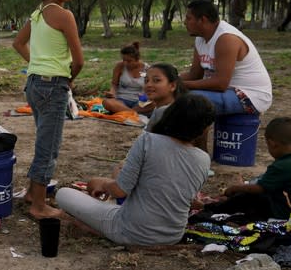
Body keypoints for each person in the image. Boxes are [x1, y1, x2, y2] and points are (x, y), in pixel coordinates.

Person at [55, 94, 216, 246]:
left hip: (131, 232)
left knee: (63, 193)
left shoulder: (148, 141)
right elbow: (186, 200)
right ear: (204, 130)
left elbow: (120, 191)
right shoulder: (203, 159)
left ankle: (95, 229)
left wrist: (102, 184)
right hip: (172, 235)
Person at [12, 0, 84, 219]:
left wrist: (39, 65)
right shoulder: (64, 16)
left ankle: (33, 192)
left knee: (44, 140)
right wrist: (68, 78)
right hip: (53, 86)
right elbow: (79, 61)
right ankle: (39, 205)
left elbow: (18, 43)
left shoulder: (38, 13)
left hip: (34, 84)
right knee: (49, 146)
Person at [208, 117, 291, 220]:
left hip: (287, 214)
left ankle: (210, 208)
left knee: (247, 197)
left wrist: (235, 188)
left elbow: (259, 189)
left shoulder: (282, 166)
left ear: (272, 144)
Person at [180, 0, 272, 116]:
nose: (184, 22)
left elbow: (220, 83)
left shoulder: (226, 38)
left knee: (188, 101)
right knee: (169, 95)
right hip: (228, 91)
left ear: (202, 20)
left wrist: (180, 85)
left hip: (250, 96)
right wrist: (168, 80)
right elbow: (194, 75)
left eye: (188, 18)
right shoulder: (200, 38)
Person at [102, 42, 151, 115]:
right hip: (121, 100)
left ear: (137, 59)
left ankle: (126, 112)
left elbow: (150, 88)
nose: (125, 63)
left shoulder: (147, 69)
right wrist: (112, 93)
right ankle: (133, 113)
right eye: (123, 60)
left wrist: (145, 98)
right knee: (106, 102)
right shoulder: (120, 66)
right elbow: (114, 84)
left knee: (154, 104)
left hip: (140, 101)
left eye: (129, 61)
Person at [144, 63, 187, 131]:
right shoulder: (160, 108)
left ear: (172, 86)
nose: (148, 85)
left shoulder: (166, 111)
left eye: (156, 80)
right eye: (146, 81)